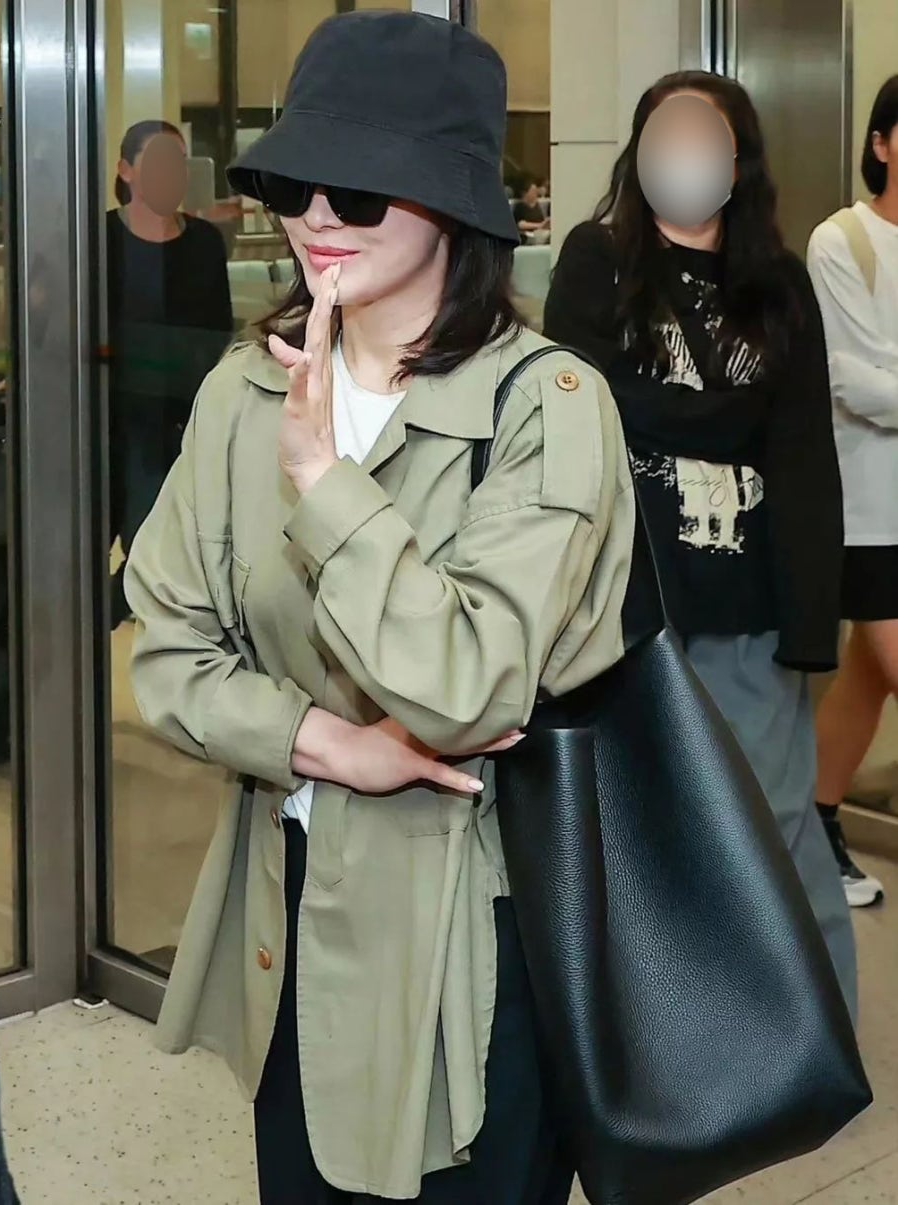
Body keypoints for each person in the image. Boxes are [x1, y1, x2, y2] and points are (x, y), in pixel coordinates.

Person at [124, 12, 634, 1203]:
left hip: (476, 915)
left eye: (355, 191)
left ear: (451, 203)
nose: (314, 217)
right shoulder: (244, 390)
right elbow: (169, 653)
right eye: (292, 184)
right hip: (291, 890)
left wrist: (326, 485)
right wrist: (329, 743)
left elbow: (470, 684)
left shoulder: (547, 404)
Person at [544, 70, 858, 1017]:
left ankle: (810, 1041)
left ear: (737, 158)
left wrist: (812, 624)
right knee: (642, 832)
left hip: (748, 601)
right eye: (664, 131)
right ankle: (672, 1040)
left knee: (772, 825)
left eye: (702, 133)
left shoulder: (780, 283)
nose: (682, 151)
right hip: (628, 597)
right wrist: (729, 416)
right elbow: (581, 401)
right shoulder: (597, 260)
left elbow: (802, 451)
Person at [806, 76, 898, 908]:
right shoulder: (843, 241)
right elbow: (851, 379)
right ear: (881, 143)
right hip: (871, 506)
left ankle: (816, 825)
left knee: (866, 683)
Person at [106, 120, 234, 627]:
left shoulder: (203, 242)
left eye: (178, 163)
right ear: (126, 171)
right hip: (114, 416)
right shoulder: (98, 239)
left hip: (183, 419)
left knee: (162, 547)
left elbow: (218, 330)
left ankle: (121, 612)